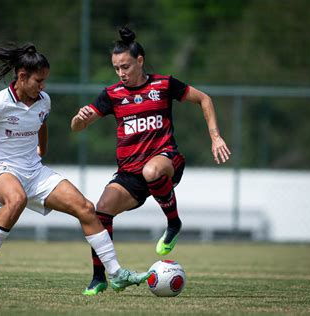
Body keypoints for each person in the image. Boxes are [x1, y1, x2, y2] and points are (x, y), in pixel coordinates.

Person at [0, 42, 149, 294]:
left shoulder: (43, 100)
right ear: (22, 77)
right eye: (38, 81)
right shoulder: (0, 102)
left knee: (86, 208)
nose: (43, 86)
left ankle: (116, 274)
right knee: (16, 199)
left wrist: (41, 150)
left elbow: (42, 124)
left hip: (34, 171)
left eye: (44, 81)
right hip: (0, 170)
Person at [71, 27, 231, 295]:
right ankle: (99, 277)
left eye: (126, 66)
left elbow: (204, 99)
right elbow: (76, 128)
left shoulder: (163, 85)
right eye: (116, 68)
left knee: (152, 170)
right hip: (129, 174)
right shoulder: (111, 95)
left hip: (166, 161)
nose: (121, 73)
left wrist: (215, 137)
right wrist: (79, 119)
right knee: (101, 210)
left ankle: (173, 222)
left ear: (140, 61)